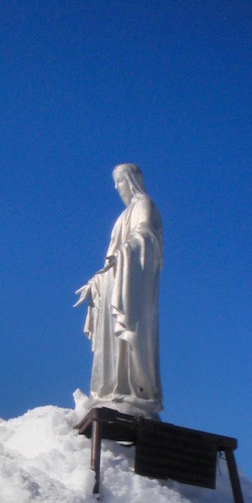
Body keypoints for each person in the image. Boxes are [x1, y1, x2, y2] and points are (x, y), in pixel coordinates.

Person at [74, 163, 164, 418]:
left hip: (131, 287)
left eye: (120, 181)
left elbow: (147, 238)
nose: (116, 187)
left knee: (129, 337)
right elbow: (109, 260)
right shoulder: (121, 218)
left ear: (132, 181)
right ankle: (111, 388)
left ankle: (132, 390)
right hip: (115, 282)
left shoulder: (145, 206)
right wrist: (96, 283)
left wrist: (125, 253)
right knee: (110, 344)